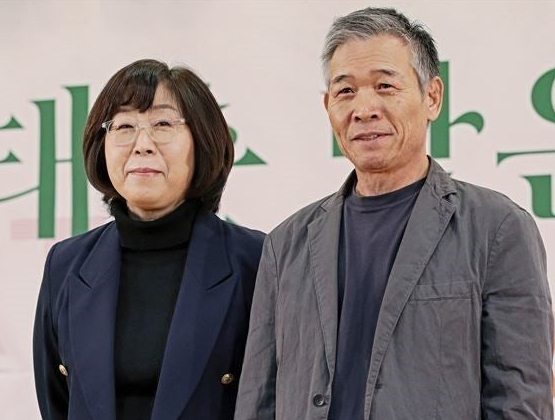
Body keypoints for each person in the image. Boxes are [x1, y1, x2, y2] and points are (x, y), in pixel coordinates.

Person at [235, 7, 553, 420]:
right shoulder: (285, 244)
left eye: (385, 86)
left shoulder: (497, 228)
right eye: (346, 91)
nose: (364, 108)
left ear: (432, 97)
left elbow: (519, 399)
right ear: (328, 106)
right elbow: (259, 400)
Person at [33, 59, 264, 420]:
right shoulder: (66, 264)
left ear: (202, 141)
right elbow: (57, 403)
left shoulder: (256, 260)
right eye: (124, 126)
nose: (142, 144)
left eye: (163, 124)